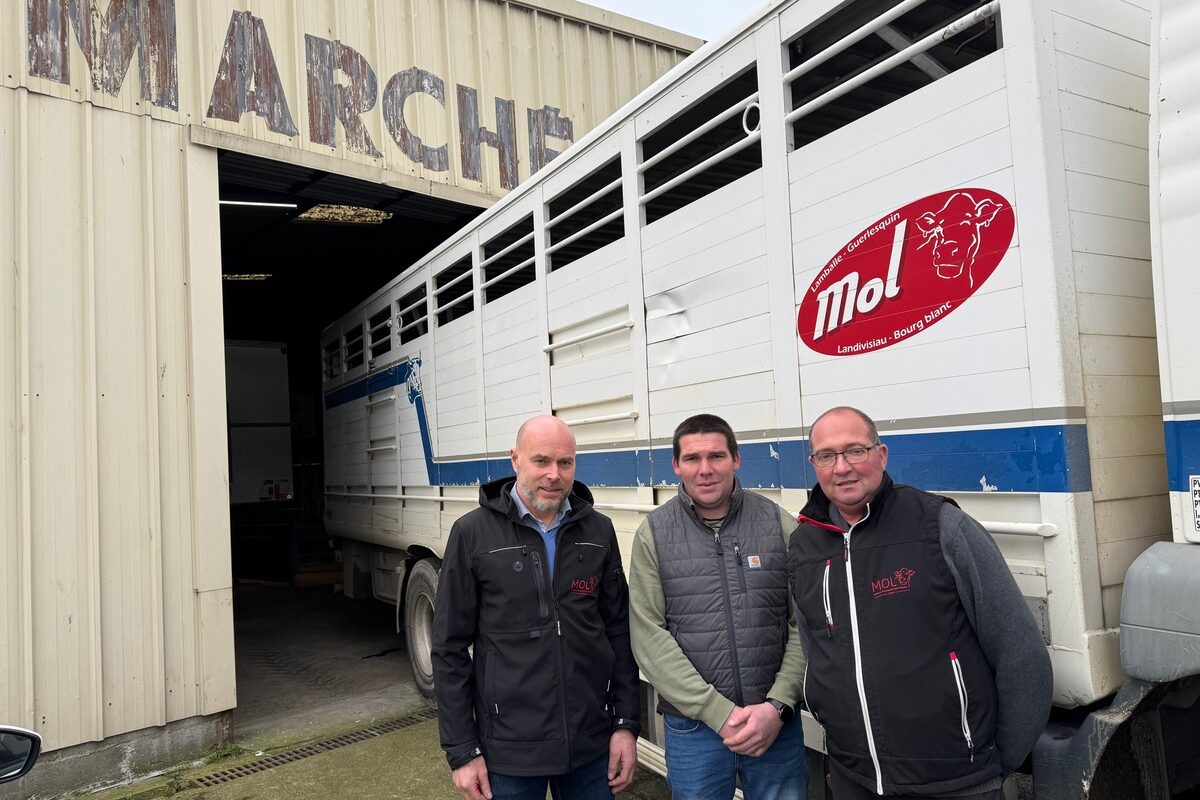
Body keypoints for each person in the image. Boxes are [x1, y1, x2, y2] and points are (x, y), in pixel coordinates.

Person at [791, 406, 1053, 799]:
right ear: (814, 464)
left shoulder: (940, 526)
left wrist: (997, 761)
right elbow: (816, 651)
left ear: (882, 454)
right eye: (826, 456)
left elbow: (1019, 652)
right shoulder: (805, 544)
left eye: (855, 451)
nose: (841, 467)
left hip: (955, 783)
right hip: (852, 777)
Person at [432, 415, 640, 800]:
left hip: (590, 747)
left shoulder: (598, 531)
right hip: (509, 753)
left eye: (565, 463)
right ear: (515, 460)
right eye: (541, 461)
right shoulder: (472, 534)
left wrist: (626, 724)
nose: (554, 475)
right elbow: (449, 648)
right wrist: (462, 751)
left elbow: (619, 630)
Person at [629, 413, 808, 799]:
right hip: (694, 729)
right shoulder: (654, 534)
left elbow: (803, 624)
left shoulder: (777, 523)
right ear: (676, 465)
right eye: (692, 458)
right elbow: (648, 634)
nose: (705, 470)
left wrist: (777, 705)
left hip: (775, 725)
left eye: (717, 456)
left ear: (736, 459)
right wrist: (717, 712)